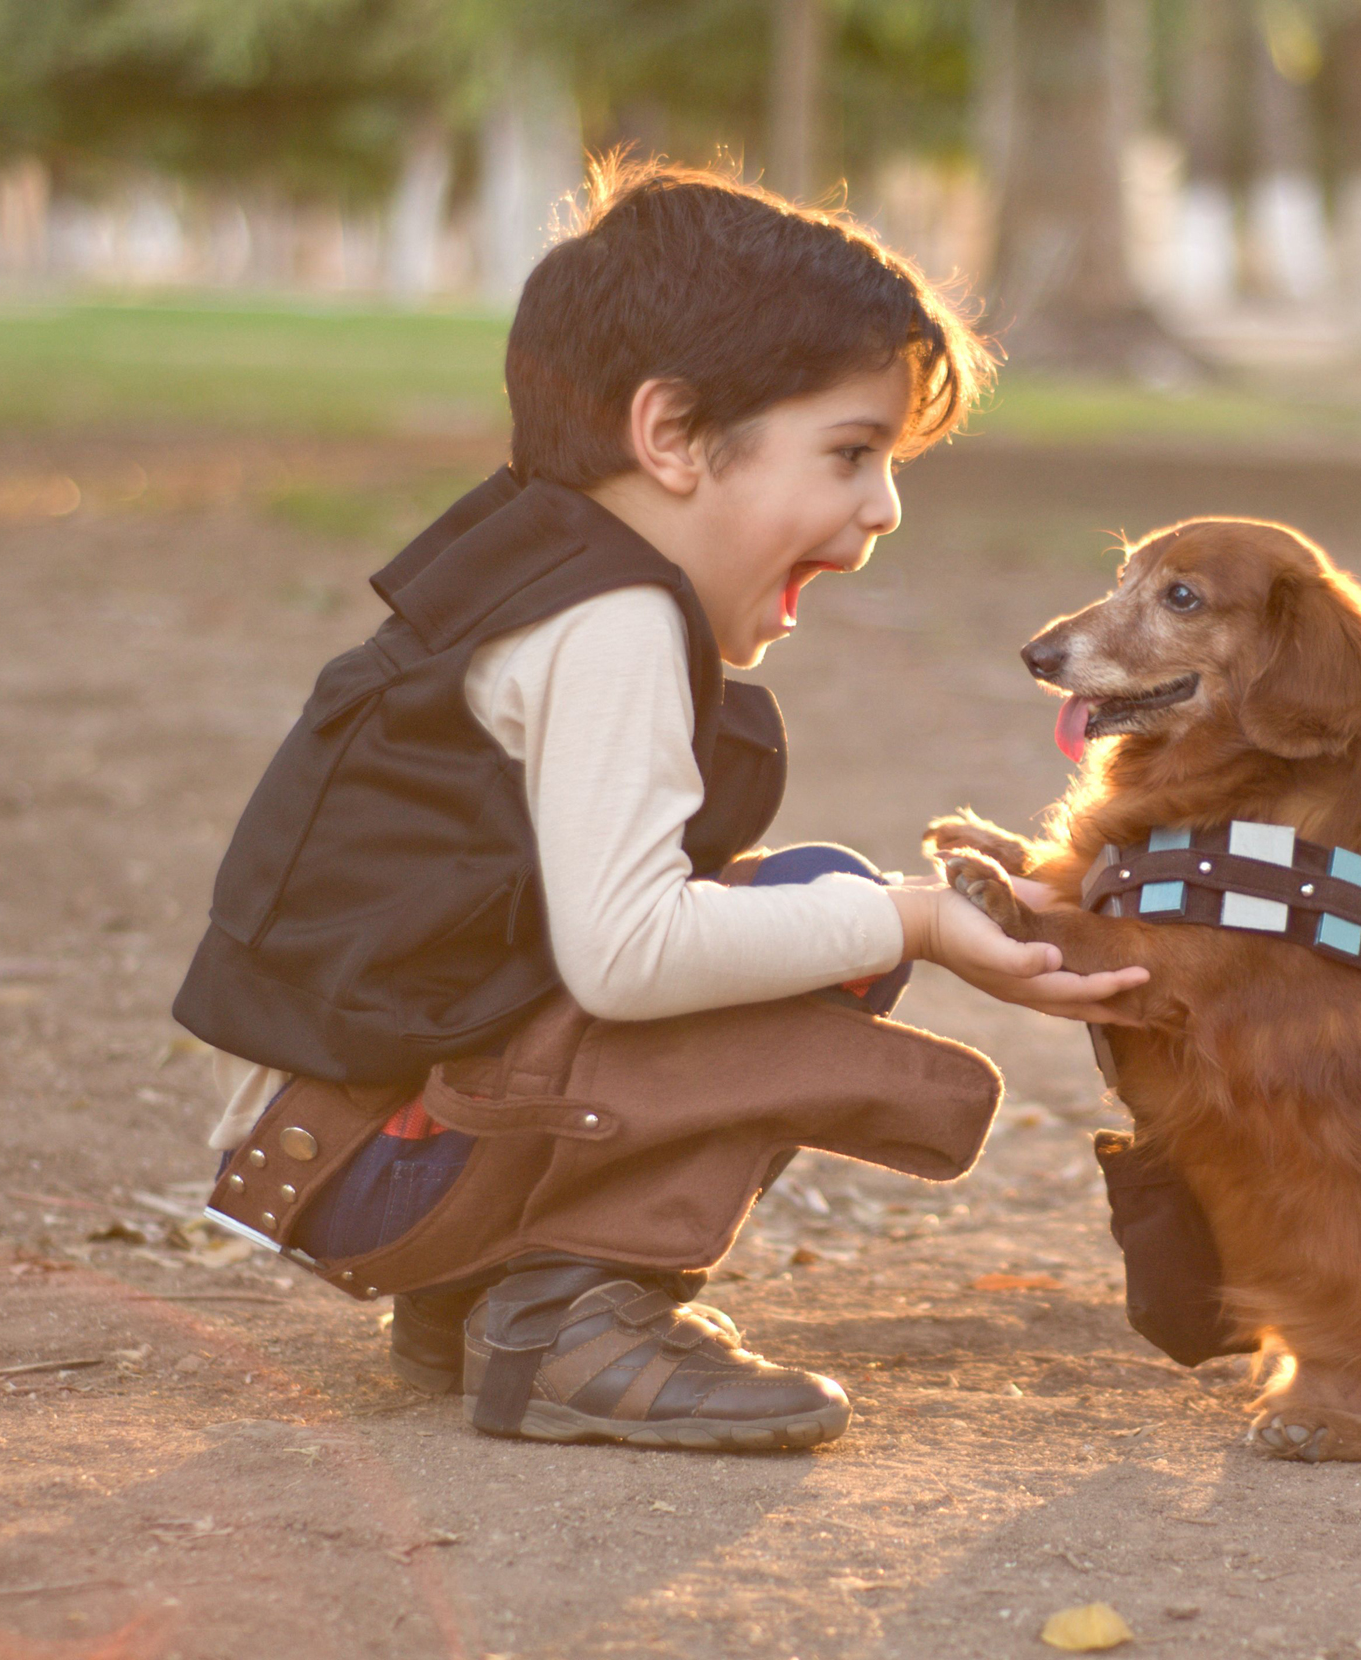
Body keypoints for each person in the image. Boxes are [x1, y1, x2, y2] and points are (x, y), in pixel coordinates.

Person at [172, 156, 1145, 1452]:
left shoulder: (538, 563)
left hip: (349, 1145)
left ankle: (481, 1297)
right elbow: (626, 956)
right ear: (673, 436)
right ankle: (569, 1318)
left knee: (804, 910)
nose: (885, 508)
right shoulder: (614, 621)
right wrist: (908, 920)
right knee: (823, 919)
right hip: (373, 1169)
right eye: (852, 453)